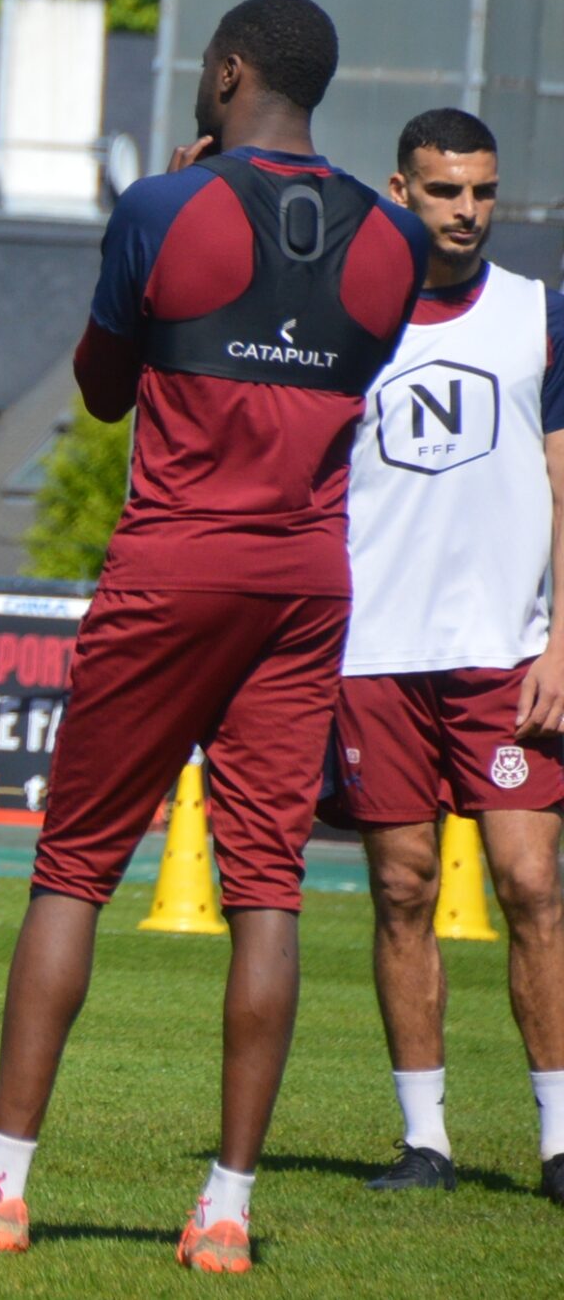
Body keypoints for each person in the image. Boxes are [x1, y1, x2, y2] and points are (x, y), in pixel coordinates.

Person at [0, 0, 429, 1272]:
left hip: (175, 564)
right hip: (306, 578)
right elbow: (337, 377)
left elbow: (97, 389)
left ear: (228, 72)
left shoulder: (159, 207)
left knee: (75, 864)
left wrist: (174, 217)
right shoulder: (397, 240)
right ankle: (225, 1211)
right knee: (268, 886)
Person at [327, 108, 564, 1203]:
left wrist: (561, 638)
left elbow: (562, 484)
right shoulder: (348, 317)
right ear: (400, 190)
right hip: (375, 648)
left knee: (531, 882)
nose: (467, 209)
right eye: (444, 190)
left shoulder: (539, 313)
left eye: (482, 189)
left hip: (505, 653)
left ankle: (558, 1141)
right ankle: (425, 1141)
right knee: (402, 887)